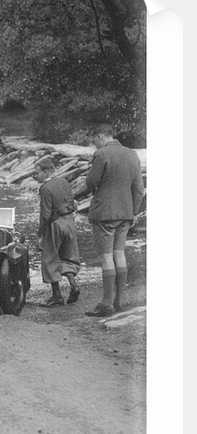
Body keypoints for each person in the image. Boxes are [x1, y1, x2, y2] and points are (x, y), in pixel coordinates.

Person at [79, 124, 145, 317]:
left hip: (105, 213)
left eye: (95, 141)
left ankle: (106, 303)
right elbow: (139, 189)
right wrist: (132, 212)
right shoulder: (132, 154)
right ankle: (120, 301)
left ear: (100, 137)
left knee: (107, 256)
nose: (95, 146)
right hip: (125, 213)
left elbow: (91, 183)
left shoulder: (102, 155)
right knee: (119, 253)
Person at [33, 157, 81, 307]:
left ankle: (57, 295)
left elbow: (45, 214)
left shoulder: (45, 188)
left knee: (50, 258)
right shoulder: (64, 182)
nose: (35, 176)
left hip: (55, 224)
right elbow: (72, 203)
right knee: (68, 256)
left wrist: (40, 234)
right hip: (69, 222)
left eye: (37, 173)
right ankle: (73, 284)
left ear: (46, 172)